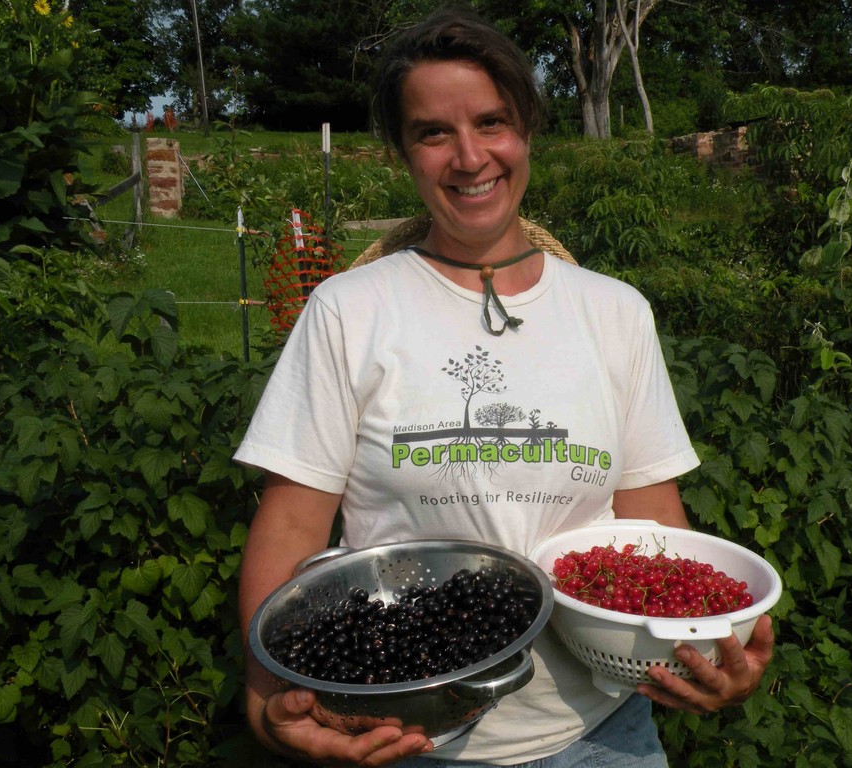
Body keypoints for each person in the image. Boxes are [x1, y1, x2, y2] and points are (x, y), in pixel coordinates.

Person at [235, 6, 774, 766]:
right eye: (433, 132)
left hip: (601, 731)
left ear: (527, 131)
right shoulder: (349, 311)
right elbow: (292, 525)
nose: (469, 156)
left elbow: (652, 524)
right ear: (402, 152)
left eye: (492, 122)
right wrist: (267, 700)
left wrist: (706, 645)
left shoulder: (613, 312)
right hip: (407, 729)